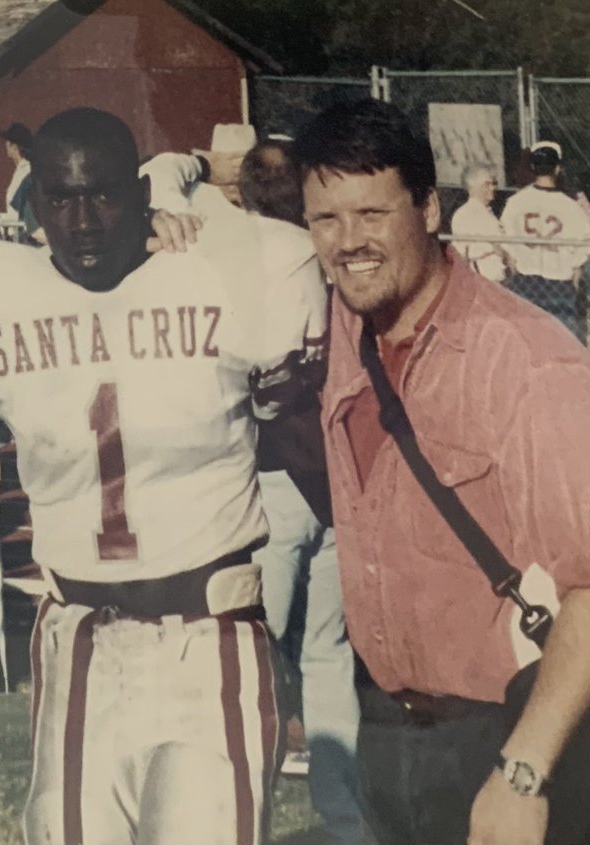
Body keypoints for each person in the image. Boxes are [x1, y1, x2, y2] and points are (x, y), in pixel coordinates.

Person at [0, 106, 327, 845]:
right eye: (61, 199)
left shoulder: (227, 269)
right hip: (78, 634)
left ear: (140, 193)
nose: (82, 222)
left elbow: (286, 411)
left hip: (209, 629)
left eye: (102, 195)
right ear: (34, 204)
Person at [297, 97, 590, 845]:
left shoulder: (527, 361)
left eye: (372, 214)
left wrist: (524, 771)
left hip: (507, 736)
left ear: (429, 209)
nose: (348, 243)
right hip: (386, 734)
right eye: (326, 219)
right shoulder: (344, 325)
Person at [238, 138, 364, 845]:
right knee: (327, 653)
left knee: (255, 659)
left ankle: (242, 814)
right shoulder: (335, 253)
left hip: (274, 475)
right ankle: (345, 819)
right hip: (336, 476)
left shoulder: (237, 251)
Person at [500, 141, 590, 338]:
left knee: (527, 338)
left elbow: (506, 241)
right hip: (559, 282)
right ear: (557, 169)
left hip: (526, 281)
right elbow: (583, 245)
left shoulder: (516, 202)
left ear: (533, 167)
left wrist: (515, 265)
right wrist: (574, 272)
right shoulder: (570, 206)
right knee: (561, 340)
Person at [450, 162, 509, 283]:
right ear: (473, 186)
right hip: (480, 280)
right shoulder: (464, 215)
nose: (492, 188)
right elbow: (462, 251)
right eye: (487, 184)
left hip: (497, 279)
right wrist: (493, 247)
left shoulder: (488, 213)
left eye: (494, 184)